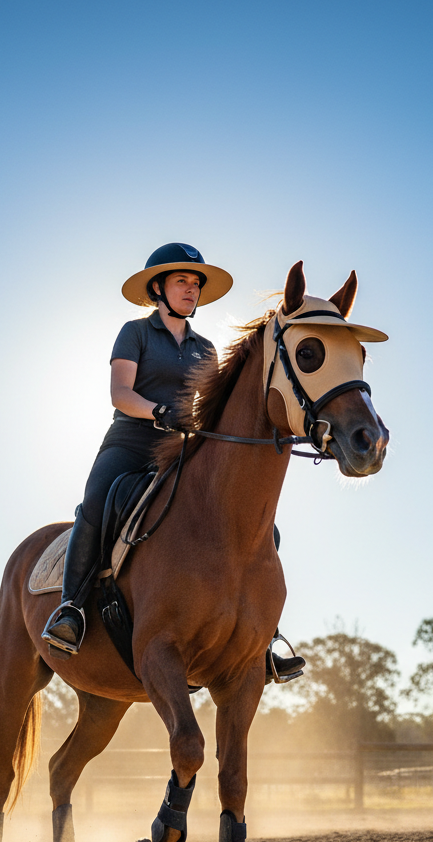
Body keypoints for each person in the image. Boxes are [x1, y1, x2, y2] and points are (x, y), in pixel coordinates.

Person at [42, 243, 306, 684]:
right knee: (93, 507)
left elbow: (212, 407)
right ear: (158, 289)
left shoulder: (206, 348)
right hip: (130, 442)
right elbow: (120, 394)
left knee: (261, 527)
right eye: (183, 281)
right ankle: (70, 609)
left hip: (183, 449)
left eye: (196, 283)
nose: (192, 289)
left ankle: (265, 638)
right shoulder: (135, 333)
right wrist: (160, 412)